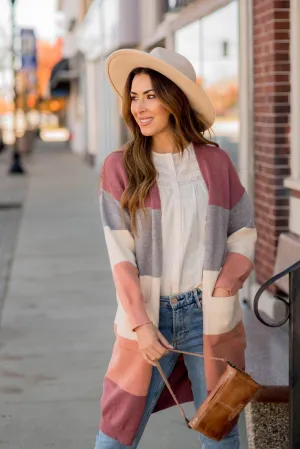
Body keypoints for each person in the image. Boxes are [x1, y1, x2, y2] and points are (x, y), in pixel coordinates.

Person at [96, 47, 257, 449]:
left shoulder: (215, 163)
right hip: (149, 319)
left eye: (150, 95)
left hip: (210, 314)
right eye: (134, 96)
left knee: (221, 431)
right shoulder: (121, 167)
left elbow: (243, 231)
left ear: (175, 100)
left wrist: (225, 285)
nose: (139, 107)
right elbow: (121, 257)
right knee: (116, 433)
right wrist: (141, 324)